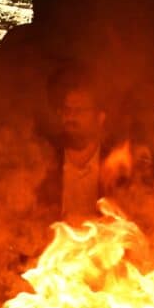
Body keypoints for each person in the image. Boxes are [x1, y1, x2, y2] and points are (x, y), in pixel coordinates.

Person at [42, 79, 110, 222]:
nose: (70, 116)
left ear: (100, 118)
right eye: (67, 109)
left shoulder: (115, 164)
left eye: (79, 110)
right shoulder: (45, 160)